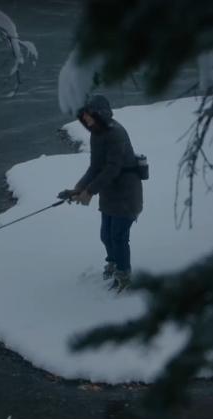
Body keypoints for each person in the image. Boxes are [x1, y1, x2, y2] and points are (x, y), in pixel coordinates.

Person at [59, 95, 143, 290]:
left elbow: (112, 169)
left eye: (90, 117)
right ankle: (114, 263)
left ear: (101, 114)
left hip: (126, 193)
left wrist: (89, 191)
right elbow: (95, 167)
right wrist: (78, 189)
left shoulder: (116, 134)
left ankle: (124, 275)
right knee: (106, 235)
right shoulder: (96, 133)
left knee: (119, 236)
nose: (86, 121)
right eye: (85, 118)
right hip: (109, 193)